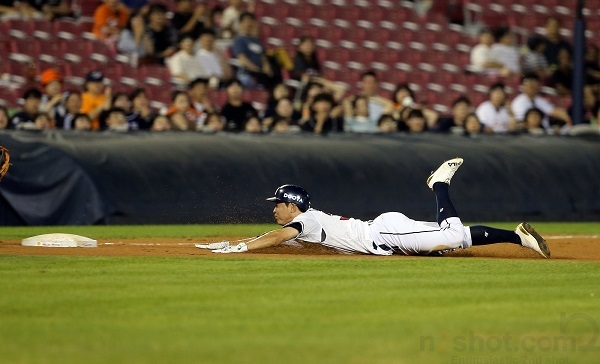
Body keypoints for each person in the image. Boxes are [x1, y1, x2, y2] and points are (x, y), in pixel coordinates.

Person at [197, 158, 551, 259]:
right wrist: (239, 241)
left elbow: (277, 236)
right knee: (456, 240)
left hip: (383, 232)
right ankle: (520, 238)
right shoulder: (306, 223)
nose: (274, 208)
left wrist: (241, 248)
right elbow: (273, 236)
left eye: (278, 204)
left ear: (292, 206)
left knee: (452, 236)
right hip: (388, 239)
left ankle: (439, 183)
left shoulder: (304, 220)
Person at [231, 12, 275, 89]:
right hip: (249, 72)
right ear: (241, 23)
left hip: (261, 72)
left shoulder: (256, 39)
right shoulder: (239, 40)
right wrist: (256, 69)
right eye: (246, 21)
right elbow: (242, 58)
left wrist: (266, 66)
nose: (249, 24)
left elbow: (262, 55)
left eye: (250, 21)